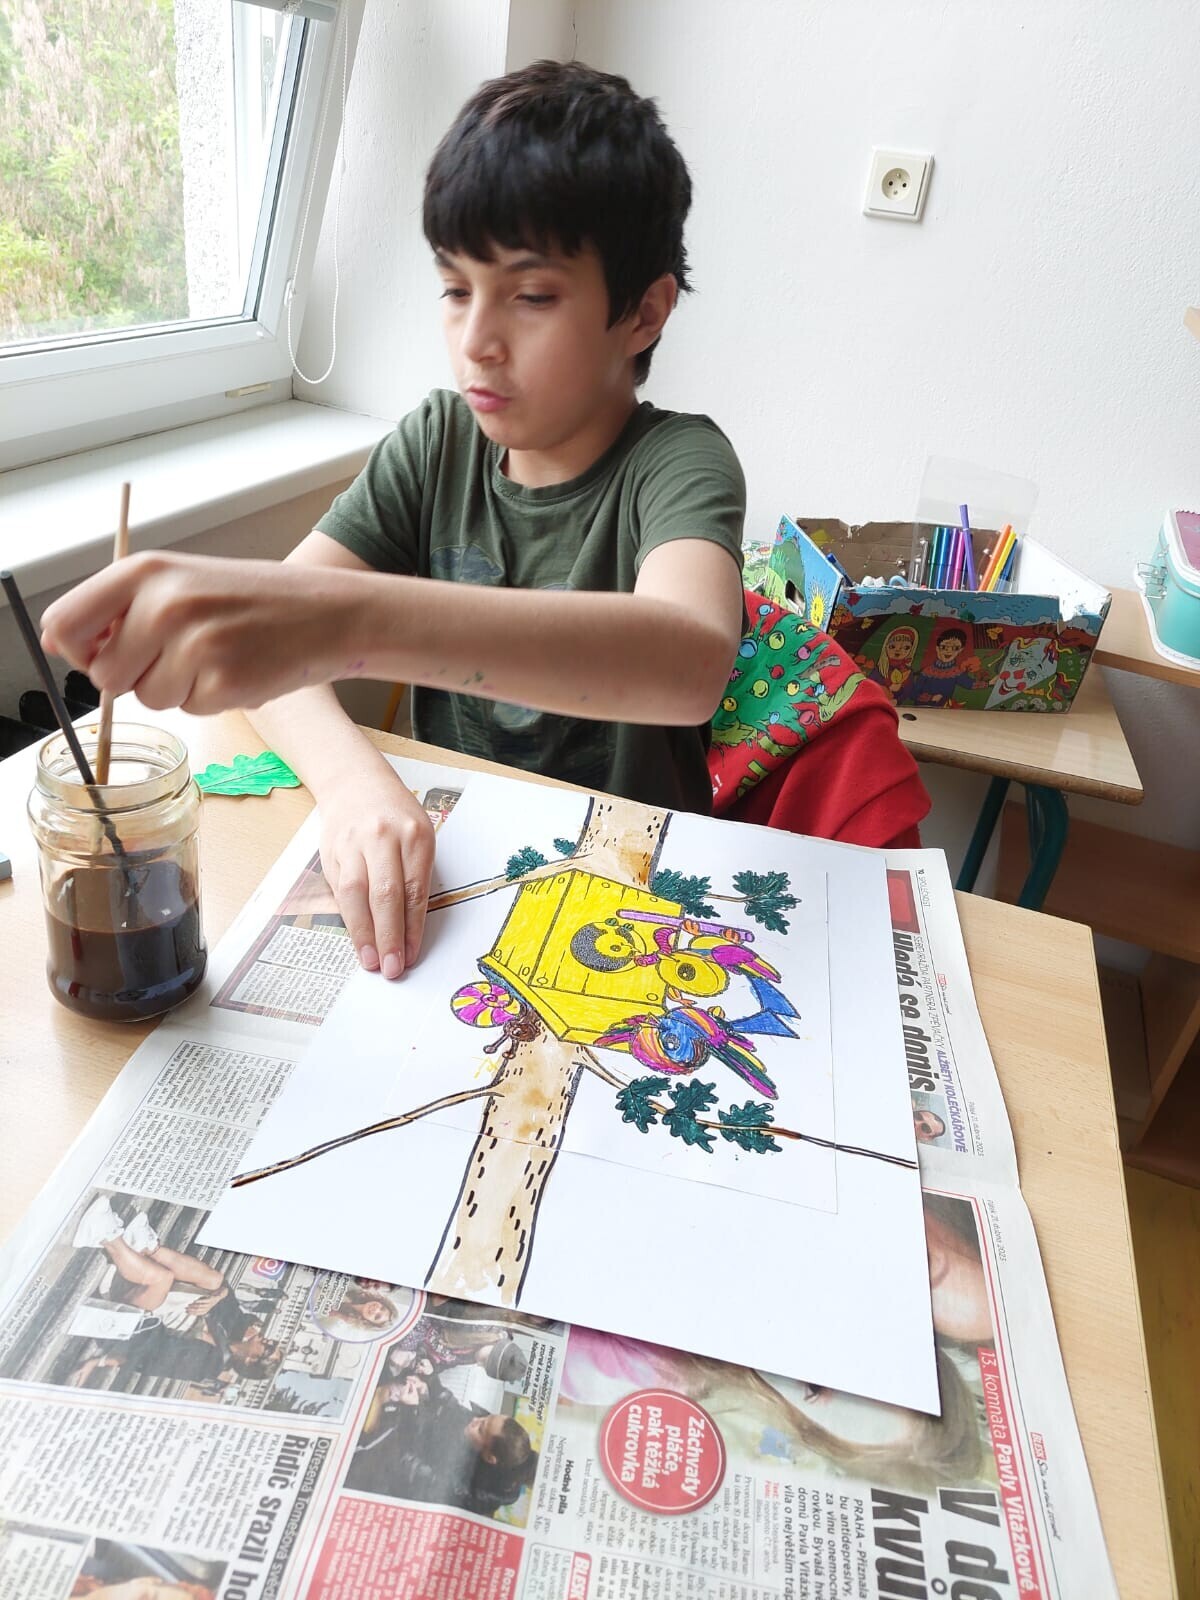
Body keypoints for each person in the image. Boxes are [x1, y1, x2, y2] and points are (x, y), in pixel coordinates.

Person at [40, 60, 745, 987]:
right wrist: (353, 781)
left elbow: (688, 662)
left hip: (625, 905)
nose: (476, 341)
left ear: (643, 313)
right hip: (456, 885)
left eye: (532, 296)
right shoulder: (437, 441)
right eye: (455, 289)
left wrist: (344, 624)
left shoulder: (679, 460)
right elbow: (276, 662)